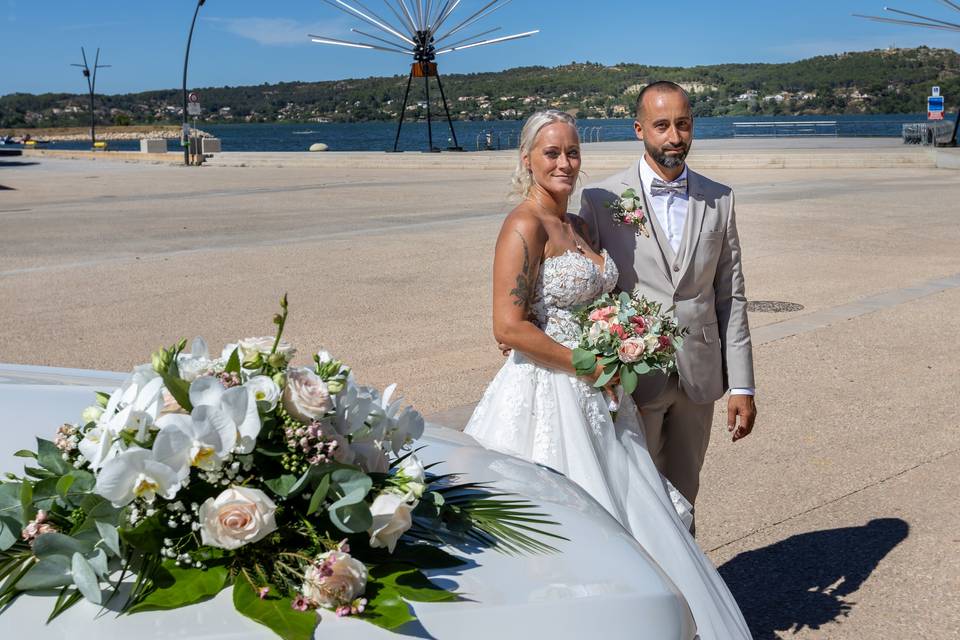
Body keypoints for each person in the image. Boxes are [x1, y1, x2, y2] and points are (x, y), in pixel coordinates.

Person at [464, 109, 751, 639]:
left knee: (630, 513)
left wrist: (620, 341)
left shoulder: (576, 224)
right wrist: (585, 361)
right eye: (552, 153)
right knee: (569, 524)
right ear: (526, 159)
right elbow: (508, 327)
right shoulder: (522, 225)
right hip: (549, 393)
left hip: (602, 395)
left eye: (573, 152)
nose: (565, 163)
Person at [579, 82, 757, 524]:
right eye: (662, 126)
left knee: (685, 498)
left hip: (699, 379)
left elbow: (730, 296)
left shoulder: (720, 198)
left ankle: (690, 590)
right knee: (634, 501)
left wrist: (743, 385)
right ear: (639, 129)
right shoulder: (601, 200)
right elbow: (586, 290)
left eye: (683, 124)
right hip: (634, 379)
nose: (674, 137)